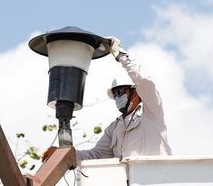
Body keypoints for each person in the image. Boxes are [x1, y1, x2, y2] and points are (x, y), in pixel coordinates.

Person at [42, 36, 171, 163]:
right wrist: (63, 155)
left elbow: (144, 81)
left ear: (136, 92)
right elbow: (95, 156)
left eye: (121, 92)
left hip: (158, 181)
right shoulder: (115, 128)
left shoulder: (151, 113)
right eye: (115, 94)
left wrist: (121, 56)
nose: (117, 97)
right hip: (132, 183)